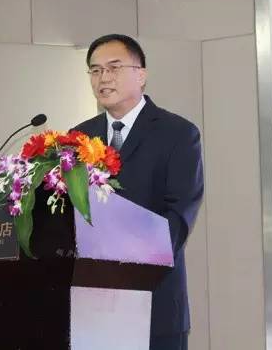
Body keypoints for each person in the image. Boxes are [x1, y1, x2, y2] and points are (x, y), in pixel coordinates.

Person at [74, 34, 204, 350]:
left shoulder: (178, 133)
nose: (103, 77)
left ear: (141, 74)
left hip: (154, 302)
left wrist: (125, 266)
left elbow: (179, 216)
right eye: (95, 70)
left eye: (114, 67)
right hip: (92, 306)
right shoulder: (78, 137)